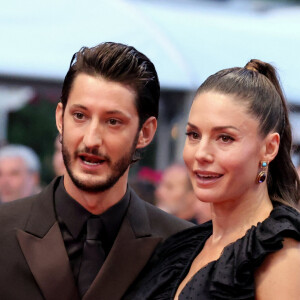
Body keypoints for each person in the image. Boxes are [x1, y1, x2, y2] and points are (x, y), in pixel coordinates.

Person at [0, 42, 193, 300]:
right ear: (60, 118)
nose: (91, 139)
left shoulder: (183, 247)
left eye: (113, 122)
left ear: (145, 132)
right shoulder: (3, 230)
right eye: (80, 116)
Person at [124, 59, 300, 299]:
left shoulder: (282, 253)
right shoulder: (183, 245)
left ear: (269, 148)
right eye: (194, 135)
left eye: (225, 138)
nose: (201, 153)